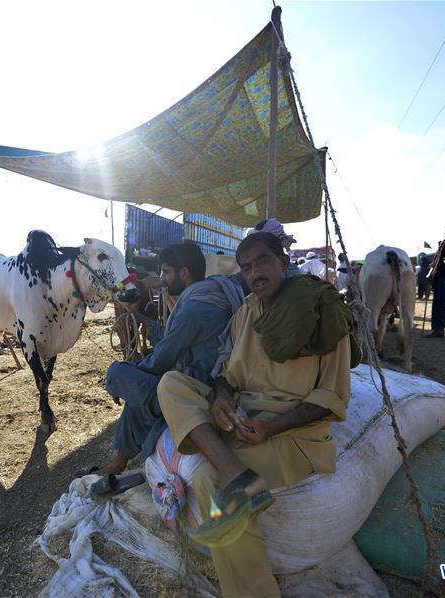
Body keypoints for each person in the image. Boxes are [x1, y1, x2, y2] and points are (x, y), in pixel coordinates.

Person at [157, 231, 354, 597]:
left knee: (207, 483)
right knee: (171, 383)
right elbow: (229, 376)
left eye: (262, 261)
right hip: (245, 417)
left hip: (293, 435)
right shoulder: (246, 311)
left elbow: (331, 399)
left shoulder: (321, 310)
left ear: (284, 261)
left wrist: (271, 427)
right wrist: (220, 399)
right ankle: (236, 472)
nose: (254, 272)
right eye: (246, 267)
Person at [87, 243, 243, 476]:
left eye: (166, 272)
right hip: (193, 376)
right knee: (136, 386)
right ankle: (118, 464)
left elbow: (160, 359)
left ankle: (121, 461)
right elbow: (174, 337)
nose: (163, 278)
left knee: (117, 372)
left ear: (184, 273)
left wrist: (121, 377)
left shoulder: (195, 308)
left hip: (195, 390)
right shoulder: (206, 293)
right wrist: (141, 318)